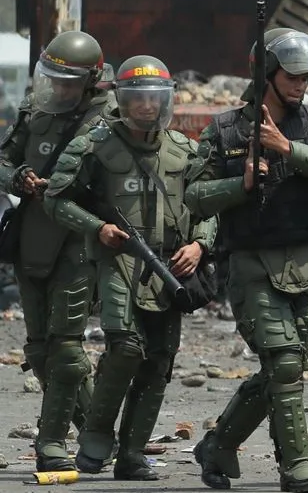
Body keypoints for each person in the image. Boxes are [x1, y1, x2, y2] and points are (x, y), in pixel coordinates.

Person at [187, 28, 308, 493]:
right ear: (266, 72)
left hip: (303, 263)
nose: (301, 86)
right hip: (249, 263)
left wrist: (288, 149)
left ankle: (218, 444)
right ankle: (297, 467)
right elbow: (195, 197)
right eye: (292, 75)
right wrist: (237, 185)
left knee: (289, 366)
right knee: (282, 362)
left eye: (307, 78)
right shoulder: (224, 130)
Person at [43, 55, 216, 480]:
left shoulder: (185, 150)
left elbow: (209, 204)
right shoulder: (94, 145)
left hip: (170, 267)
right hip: (118, 261)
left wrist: (199, 244)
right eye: (137, 96)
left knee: (159, 361)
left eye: (154, 97)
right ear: (122, 99)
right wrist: (97, 227)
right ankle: (98, 434)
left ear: (166, 100)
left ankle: (133, 454)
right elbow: (56, 199)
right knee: (125, 347)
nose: (145, 105)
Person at [0, 30, 114, 472]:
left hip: (79, 241)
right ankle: (97, 432)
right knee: (39, 350)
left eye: (70, 81)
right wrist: (18, 179)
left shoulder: (112, 117)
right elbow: (3, 160)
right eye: (56, 79)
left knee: (66, 348)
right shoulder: (34, 110)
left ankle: (54, 443)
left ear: (91, 80)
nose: (61, 89)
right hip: (32, 237)